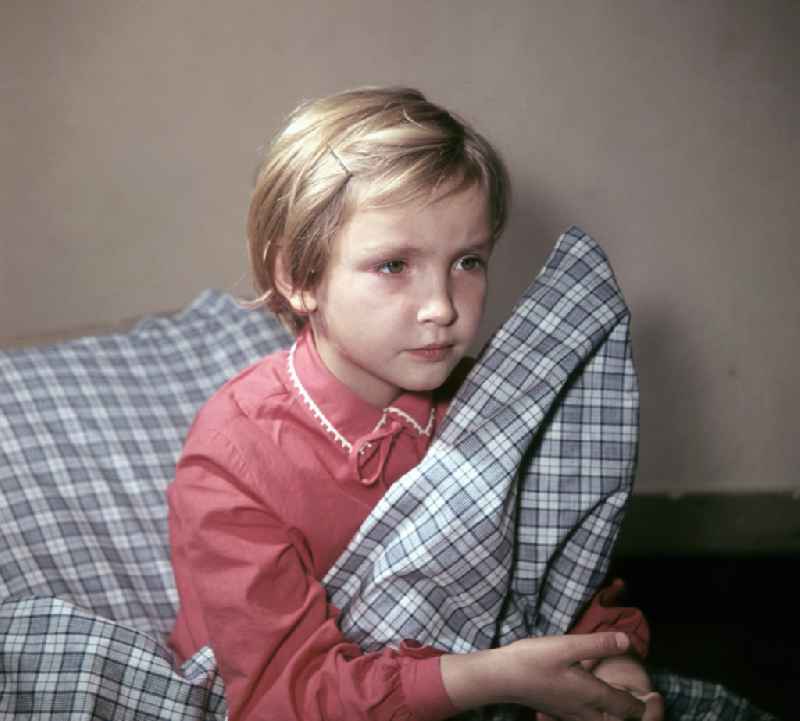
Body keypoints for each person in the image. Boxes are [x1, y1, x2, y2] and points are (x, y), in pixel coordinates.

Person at [167, 86, 663, 721]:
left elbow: (555, 567)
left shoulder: (486, 404)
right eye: (394, 265)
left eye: (467, 262)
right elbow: (279, 697)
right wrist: (491, 679)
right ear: (298, 276)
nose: (444, 307)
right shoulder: (234, 457)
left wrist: (611, 664)